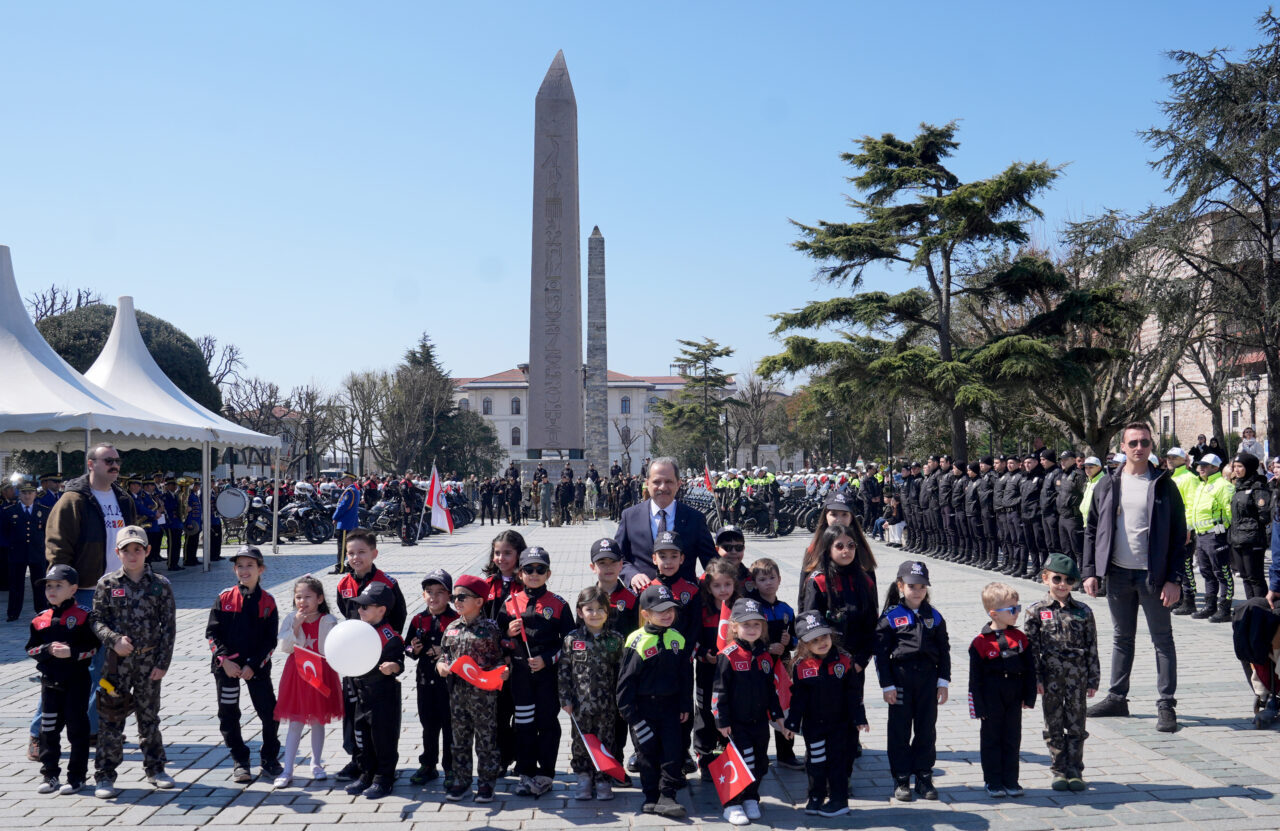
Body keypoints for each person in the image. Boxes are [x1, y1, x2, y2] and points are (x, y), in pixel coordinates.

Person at [1083, 421, 1184, 732]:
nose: (1139, 448)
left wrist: (1174, 579)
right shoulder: (1107, 484)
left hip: (1154, 577)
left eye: (1145, 442)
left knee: (1162, 640)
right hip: (1118, 574)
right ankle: (1117, 698)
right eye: (1133, 443)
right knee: (1121, 638)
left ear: (1152, 446)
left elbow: (1179, 535)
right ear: (1122, 447)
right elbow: (1091, 530)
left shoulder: (1164, 485)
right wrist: (1090, 571)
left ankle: (1166, 704)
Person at [91, 525, 177, 798]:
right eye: (126, 550)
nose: (132, 555)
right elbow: (96, 620)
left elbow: (169, 627)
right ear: (117, 552)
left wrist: (162, 663)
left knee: (149, 718)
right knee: (111, 718)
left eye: (137, 549)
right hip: (116, 664)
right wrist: (113, 639)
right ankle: (105, 775)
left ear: (147, 550)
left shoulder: (160, 585)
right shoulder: (107, 584)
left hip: (149, 663)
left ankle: (156, 769)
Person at [500, 546, 573, 797]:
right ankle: (526, 771)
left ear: (548, 573)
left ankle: (546, 773)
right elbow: (497, 640)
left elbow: (569, 643)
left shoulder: (559, 604)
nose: (534, 574)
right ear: (520, 573)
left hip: (547, 677)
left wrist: (547, 659)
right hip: (520, 678)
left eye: (540, 569)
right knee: (523, 724)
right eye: (528, 569)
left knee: (547, 723)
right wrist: (507, 633)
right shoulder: (509, 603)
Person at [334, 529, 407, 781]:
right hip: (353, 661)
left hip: (378, 662)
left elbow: (398, 619)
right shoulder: (343, 584)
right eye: (351, 553)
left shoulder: (388, 583)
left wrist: (388, 652)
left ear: (374, 553)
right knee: (353, 712)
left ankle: (381, 764)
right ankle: (358, 760)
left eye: (362, 552)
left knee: (377, 717)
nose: (356, 557)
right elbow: (346, 615)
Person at [205, 544, 282, 784]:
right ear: (234, 570)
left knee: (270, 713)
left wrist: (253, 665)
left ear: (261, 569)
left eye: (250, 565)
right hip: (227, 668)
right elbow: (212, 634)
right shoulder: (224, 598)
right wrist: (225, 660)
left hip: (255, 668)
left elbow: (270, 641)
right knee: (228, 714)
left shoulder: (268, 602)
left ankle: (269, 757)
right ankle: (240, 759)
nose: (244, 570)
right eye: (240, 566)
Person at [874, 561, 950, 802]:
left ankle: (924, 776)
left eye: (922, 586)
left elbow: (944, 651)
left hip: (928, 680)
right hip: (901, 679)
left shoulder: (934, 616)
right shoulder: (891, 616)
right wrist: (887, 685)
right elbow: (881, 654)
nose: (917, 591)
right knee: (899, 730)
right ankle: (901, 778)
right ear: (900, 586)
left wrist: (943, 682)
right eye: (912, 586)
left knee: (926, 729)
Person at [1023, 553, 1099, 792]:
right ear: (1045, 578)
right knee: (1053, 724)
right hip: (1050, 677)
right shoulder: (1036, 611)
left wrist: (1093, 679)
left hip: (1078, 676)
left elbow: (1092, 646)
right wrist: (1035, 679)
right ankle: (1058, 770)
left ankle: (1075, 770)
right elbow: (1031, 650)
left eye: (1069, 580)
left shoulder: (1083, 611)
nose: (1063, 584)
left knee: (1077, 724)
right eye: (1057, 579)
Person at [617, 583, 692, 819]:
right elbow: (625, 682)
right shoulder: (637, 640)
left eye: (670, 609)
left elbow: (685, 676)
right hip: (643, 709)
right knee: (647, 752)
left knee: (673, 750)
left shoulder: (677, 639)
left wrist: (685, 704)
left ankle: (667, 794)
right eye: (660, 610)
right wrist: (631, 714)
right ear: (645, 614)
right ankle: (651, 796)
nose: (667, 614)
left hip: (671, 707)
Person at [712, 597, 788, 827]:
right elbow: (719, 692)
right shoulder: (728, 655)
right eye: (746, 624)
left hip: (759, 722)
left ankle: (751, 797)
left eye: (757, 624)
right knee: (741, 762)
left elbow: (771, 690)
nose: (752, 629)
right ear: (734, 627)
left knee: (760, 761)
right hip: (736, 723)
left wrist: (778, 717)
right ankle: (732, 804)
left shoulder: (765, 656)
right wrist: (722, 721)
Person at [784, 610, 866, 818]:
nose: (822, 643)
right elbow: (798, 698)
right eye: (814, 640)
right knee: (815, 762)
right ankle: (816, 796)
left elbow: (854, 692)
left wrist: (859, 718)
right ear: (804, 644)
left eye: (824, 637)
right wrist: (792, 723)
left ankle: (839, 800)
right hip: (814, 727)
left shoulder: (844, 660)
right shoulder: (800, 666)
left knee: (838, 763)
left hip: (840, 725)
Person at [26, 564, 99, 795]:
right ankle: (50, 774)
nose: (52, 590)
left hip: (76, 682)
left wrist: (72, 653)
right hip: (50, 683)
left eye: (59, 586)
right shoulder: (40, 619)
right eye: (49, 586)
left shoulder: (84, 616)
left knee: (77, 730)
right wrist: (46, 649)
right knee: (48, 730)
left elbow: (94, 648)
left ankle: (77, 777)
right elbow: (31, 649)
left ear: (73, 589)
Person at [438, 573, 509, 803]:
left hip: (483, 695)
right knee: (459, 740)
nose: (456, 601)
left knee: (486, 740)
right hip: (457, 694)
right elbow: (444, 655)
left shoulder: (490, 629)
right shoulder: (451, 627)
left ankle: (486, 783)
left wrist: (503, 671)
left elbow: (499, 658)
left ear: (479, 601)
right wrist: (441, 666)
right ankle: (462, 781)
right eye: (454, 598)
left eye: (462, 597)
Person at [272, 575, 343, 788]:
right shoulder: (291, 618)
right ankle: (287, 769)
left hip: (321, 673)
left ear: (319, 599)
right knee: (296, 722)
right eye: (298, 597)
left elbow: (334, 648)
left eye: (307, 597)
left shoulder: (328, 620)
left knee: (318, 720)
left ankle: (316, 763)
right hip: (298, 675)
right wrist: (295, 626)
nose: (302, 601)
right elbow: (286, 647)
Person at [968, 582, 1036, 799]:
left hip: (1014, 694)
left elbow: (1030, 669)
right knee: (991, 739)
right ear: (994, 613)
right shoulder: (980, 642)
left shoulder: (1020, 638)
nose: (1017, 613)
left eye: (1018, 608)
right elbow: (975, 679)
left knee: (1012, 738)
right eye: (1012, 609)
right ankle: (993, 781)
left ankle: (1011, 780)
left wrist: (1029, 696)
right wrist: (977, 707)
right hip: (991, 696)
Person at [558, 585, 625, 801]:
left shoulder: (615, 639)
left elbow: (622, 673)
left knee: (606, 741)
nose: (595, 614)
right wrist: (565, 699)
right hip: (579, 705)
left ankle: (603, 779)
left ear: (608, 611)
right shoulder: (572, 639)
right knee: (580, 742)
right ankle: (584, 777)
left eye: (600, 609)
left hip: (607, 705)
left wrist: (622, 701)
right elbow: (564, 672)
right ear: (580, 612)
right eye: (589, 609)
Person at [614, 457, 716, 592]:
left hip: (684, 600)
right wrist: (632, 575)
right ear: (647, 483)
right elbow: (617, 556)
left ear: (678, 484)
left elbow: (712, 562)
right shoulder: (630, 516)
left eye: (669, 481)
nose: (662, 487)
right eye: (657, 482)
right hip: (643, 598)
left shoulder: (695, 518)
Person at [343, 582, 405, 799]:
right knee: (362, 736)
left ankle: (384, 778)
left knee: (383, 738)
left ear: (381, 610)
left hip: (382, 694)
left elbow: (399, 662)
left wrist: (393, 666)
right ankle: (366, 773)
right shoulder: (358, 631)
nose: (360, 610)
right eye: (358, 606)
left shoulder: (389, 636)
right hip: (361, 694)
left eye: (365, 607)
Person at [406, 569, 459, 787]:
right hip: (424, 680)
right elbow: (407, 647)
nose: (433, 597)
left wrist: (444, 652)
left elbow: (464, 648)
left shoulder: (456, 619)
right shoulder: (418, 619)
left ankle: (451, 767)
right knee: (428, 725)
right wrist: (415, 649)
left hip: (449, 684)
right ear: (423, 595)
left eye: (439, 592)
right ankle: (428, 764)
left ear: (449, 596)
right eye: (429, 591)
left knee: (449, 725)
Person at [749, 557, 800, 770]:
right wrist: (766, 648)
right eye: (762, 579)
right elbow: (747, 640)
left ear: (779, 579)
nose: (768, 583)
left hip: (783, 665)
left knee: (785, 707)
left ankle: (786, 754)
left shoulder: (786, 609)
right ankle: (758, 755)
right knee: (759, 710)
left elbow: (797, 639)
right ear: (754, 583)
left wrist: (790, 642)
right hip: (759, 666)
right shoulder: (753, 609)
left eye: (772, 578)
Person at [692, 559, 739, 777]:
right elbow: (692, 638)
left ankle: (727, 751)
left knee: (728, 709)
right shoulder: (702, 610)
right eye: (717, 585)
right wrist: (703, 654)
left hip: (732, 674)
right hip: (707, 670)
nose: (723, 590)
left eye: (727, 584)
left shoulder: (739, 609)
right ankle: (704, 755)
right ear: (708, 587)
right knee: (705, 711)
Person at [1189, 453, 1236, 623]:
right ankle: (1210, 606)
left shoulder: (1223, 486)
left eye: (1205, 466)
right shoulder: (1202, 485)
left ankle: (1224, 608)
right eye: (1200, 465)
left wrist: (1224, 533)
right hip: (1201, 535)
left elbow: (1230, 512)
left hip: (1216, 536)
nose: (1201, 468)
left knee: (1222, 573)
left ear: (1215, 468)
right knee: (1206, 572)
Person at [3, 482, 50, 621]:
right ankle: (13, 613)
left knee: (40, 584)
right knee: (16, 585)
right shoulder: (9, 511)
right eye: (24, 493)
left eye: (30, 493)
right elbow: (4, 532)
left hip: (37, 552)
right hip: (17, 553)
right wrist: (10, 546)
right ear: (19, 494)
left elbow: (48, 532)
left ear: (35, 494)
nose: (27, 496)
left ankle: (42, 611)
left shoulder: (44, 510)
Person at [1229, 454, 1272, 602]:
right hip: (1237, 539)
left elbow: (1264, 515)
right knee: (1245, 577)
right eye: (1235, 466)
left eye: (1240, 466)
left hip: (1252, 540)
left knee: (1255, 577)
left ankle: (1261, 608)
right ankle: (1250, 607)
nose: (1236, 470)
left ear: (1249, 467)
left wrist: (1249, 529)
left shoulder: (1258, 487)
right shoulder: (1239, 487)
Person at [331, 472, 360, 574]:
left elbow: (342, 507)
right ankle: (350, 567)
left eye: (344, 479)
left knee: (342, 547)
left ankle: (340, 567)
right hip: (350, 523)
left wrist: (335, 517)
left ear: (349, 479)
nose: (342, 481)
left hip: (345, 523)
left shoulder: (349, 491)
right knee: (349, 547)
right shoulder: (354, 490)